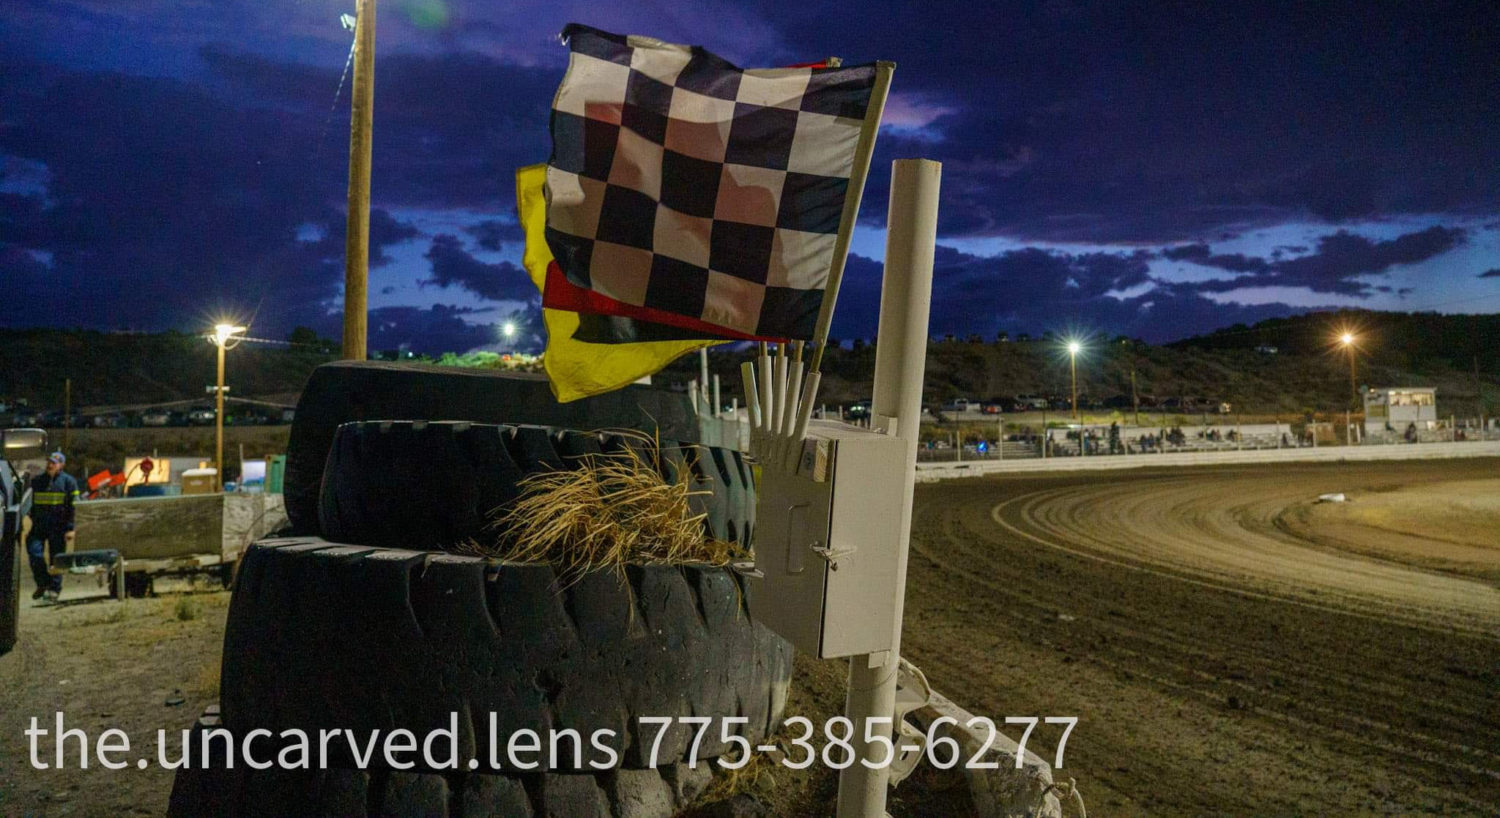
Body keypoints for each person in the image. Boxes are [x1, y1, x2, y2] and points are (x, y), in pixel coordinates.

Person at [27, 451, 78, 601]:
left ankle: (54, 590)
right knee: (34, 553)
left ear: (61, 465)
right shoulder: (37, 482)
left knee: (56, 560)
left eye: (54, 463)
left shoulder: (69, 482)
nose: (50, 465)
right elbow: (29, 504)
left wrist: (70, 528)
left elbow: (74, 507)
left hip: (59, 528)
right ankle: (43, 583)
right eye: (49, 462)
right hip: (39, 527)